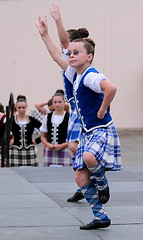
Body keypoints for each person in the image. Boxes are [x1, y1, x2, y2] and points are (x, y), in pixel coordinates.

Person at [36, 16, 122, 230]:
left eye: (76, 53)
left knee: (87, 156)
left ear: (89, 56)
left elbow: (111, 88)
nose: (70, 55)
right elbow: (57, 54)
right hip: (86, 131)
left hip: (100, 129)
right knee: (80, 178)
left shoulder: (91, 75)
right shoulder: (74, 73)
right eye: (71, 53)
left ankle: (102, 184)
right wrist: (44, 35)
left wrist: (103, 110)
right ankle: (101, 216)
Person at [50, 4, 89, 202]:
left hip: (83, 109)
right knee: (74, 148)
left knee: (76, 148)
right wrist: (44, 35)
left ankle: (93, 181)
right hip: (74, 108)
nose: (63, 47)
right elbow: (56, 52)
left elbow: (64, 43)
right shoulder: (69, 62)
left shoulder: (76, 59)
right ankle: (84, 185)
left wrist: (57, 19)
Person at [40, 92, 72, 166]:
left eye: (60, 102)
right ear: (52, 103)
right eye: (55, 102)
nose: (57, 104)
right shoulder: (48, 116)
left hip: (65, 149)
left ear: (64, 102)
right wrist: (48, 144)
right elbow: (43, 136)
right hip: (50, 150)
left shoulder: (69, 117)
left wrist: (62, 145)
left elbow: (72, 138)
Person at [9, 95, 42, 167]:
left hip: (29, 150)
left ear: (27, 107)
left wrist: (37, 140)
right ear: (16, 108)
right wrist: (9, 140)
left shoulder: (32, 120)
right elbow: (2, 132)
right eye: (19, 108)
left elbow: (45, 129)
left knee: (32, 172)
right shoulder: (11, 120)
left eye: (23, 107)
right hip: (14, 150)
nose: (21, 110)